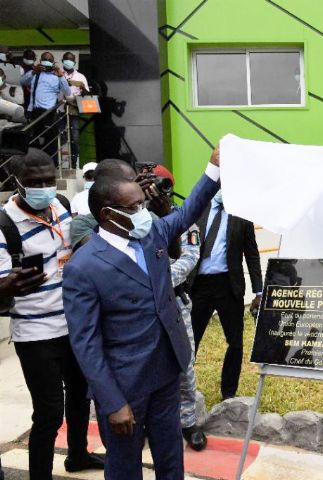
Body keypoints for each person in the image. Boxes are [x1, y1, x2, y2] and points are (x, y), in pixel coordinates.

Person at [62, 146, 221, 479]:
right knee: (124, 467)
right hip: (124, 385)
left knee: (170, 457)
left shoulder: (152, 235)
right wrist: (112, 402)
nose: (143, 211)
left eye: (142, 204)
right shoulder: (83, 266)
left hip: (165, 371)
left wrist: (213, 169)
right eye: (134, 207)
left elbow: (188, 211)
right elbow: (86, 343)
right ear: (108, 214)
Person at [0, 148, 103, 479]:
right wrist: (8, 286)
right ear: (17, 183)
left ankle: (77, 455)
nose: (43, 187)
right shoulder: (4, 226)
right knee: (48, 413)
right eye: (35, 182)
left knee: (78, 398)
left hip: (73, 326)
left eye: (48, 179)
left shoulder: (59, 204)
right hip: (35, 335)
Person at [152, 165, 208, 451]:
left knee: (184, 365)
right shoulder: (132, 220)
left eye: (164, 185)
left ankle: (188, 421)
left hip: (175, 302)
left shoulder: (183, 220)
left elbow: (188, 260)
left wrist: (154, 282)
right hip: (144, 309)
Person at [189, 188, 263, 400]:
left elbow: (252, 254)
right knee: (190, 340)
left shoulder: (241, 215)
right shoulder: (198, 209)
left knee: (236, 342)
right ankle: (182, 388)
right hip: (198, 286)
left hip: (228, 286)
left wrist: (258, 291)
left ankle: (228, 393)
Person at [21, 52, 72, 164]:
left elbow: (67, 92)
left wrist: (60, 76)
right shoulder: (35, 73)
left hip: (49, 113)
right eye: (44, 59)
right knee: (33, 140)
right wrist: (34, 71)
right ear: (40, 61)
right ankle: (33, 164)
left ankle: (52, 165)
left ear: (53, 62)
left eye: (49, 60)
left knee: (50, 141)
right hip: (34, 111)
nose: (46, 61)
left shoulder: (57, 76)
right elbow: (22, 81)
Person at [61, 52, 89, 165]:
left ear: (75, 62)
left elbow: (87, 93)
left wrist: (81, 87)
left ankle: (74, 162)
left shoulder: (80, 76)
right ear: (63, 61)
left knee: (75, 137)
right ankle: (61, 162)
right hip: (60, 110)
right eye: (67, 59)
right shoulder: (58, 74)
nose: (69, 61)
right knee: (61, 136)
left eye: (71, 59)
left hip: (74, 110)